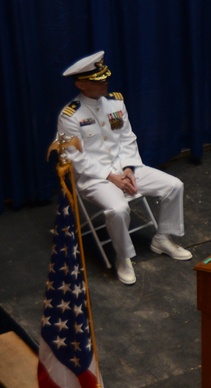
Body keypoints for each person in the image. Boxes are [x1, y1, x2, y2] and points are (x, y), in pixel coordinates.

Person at [57, 51, 193, 286]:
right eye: (97, 81)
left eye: (104, 78)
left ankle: (162, 238)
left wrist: (129, 168)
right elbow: (75, 157)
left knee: (174, 185)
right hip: (95, 179)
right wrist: (112, 177)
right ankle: (123, 257)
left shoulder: (116, 103)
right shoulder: (70, 116)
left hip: (126, 169)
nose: (105, 83)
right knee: (118, 209)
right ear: (81, 84)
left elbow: (127, 138)